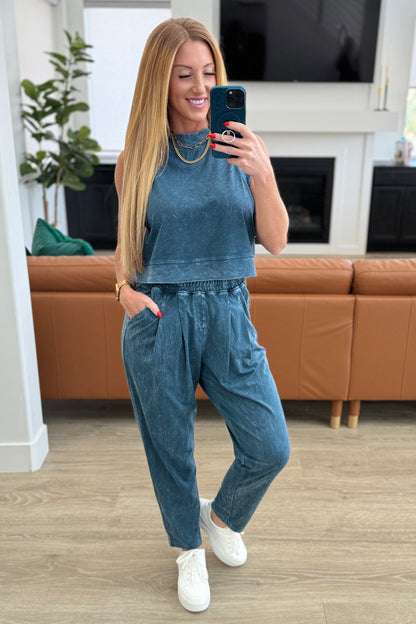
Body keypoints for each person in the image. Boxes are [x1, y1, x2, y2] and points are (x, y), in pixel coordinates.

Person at [114, 17, 291, 613]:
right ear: (159, 82)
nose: (199, 87)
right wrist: (124, 292)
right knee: (171, 447)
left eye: (209, 73)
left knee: (270, 446)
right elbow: (126, 250)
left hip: (228, 309)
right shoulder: (138, 160)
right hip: (159, 314)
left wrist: (263, 174)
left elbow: (277, 240)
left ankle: (221, 517)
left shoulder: (242, 150)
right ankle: (188, 549)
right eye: (184, 74)